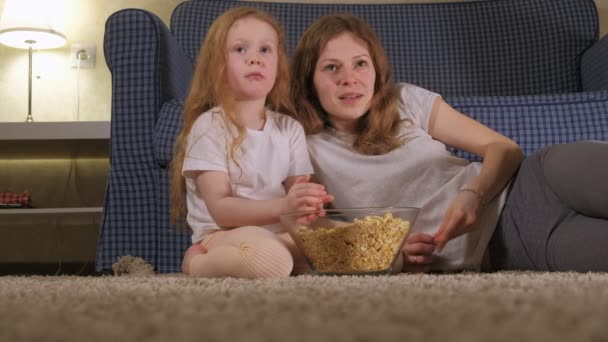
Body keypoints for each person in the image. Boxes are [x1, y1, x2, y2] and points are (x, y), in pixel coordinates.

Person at [289, 13, 608, 273]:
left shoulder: (404, 99)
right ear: (308, 79)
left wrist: (475, 194)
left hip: (535, 179)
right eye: (331, 67)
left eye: (360, 63)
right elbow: (316, 231)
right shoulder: (302, 145)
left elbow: (504, 148)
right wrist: (394, 252)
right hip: (510, 246)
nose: (349, 78)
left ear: (376, 70)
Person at [170, 7, 332, 279]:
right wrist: (284, 207)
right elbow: (221, 210)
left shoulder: (288, 128)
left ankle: (285, 256)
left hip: (278, 233)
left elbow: (297, 195)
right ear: (217, 65)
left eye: (265, 50)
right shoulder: (209, 126)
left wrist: (308, 205)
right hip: (225, 234)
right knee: (270, 260)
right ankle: (196, 262)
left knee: (349, 253)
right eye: (240, 50)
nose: (255, 59)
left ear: (278, 66)